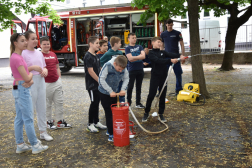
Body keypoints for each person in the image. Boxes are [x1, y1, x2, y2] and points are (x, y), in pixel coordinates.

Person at [10, 33, 48, 154]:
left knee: (20, 118)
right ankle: (35, 144)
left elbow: (21, 75)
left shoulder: (16, 56)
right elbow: (26, 77)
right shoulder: (18, 57)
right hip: (22, 87)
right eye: (22, 41)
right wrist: (31, 76)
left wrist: (28, 77)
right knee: (28, 118)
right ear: (15, 43)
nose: (25, 43)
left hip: (18, 86)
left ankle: (20, 144)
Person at [142, 37, 186, 123]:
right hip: (155, 77)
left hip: (163, 77)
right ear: (153, 43)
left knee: (162, 95)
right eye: (158, 42)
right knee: (151, 95)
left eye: (161, 42)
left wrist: (180, 56)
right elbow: (158, 61)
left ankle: (161, 114)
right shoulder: (151, 53)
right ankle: (146, 112)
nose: (160, 43)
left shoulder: (163, 52)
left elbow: (172, 54)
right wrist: (170, 61)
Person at [22, 30, 53, 141]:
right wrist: (33, 68)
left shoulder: (39, 53)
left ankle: (43, 132)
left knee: (42, 107)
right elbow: (19, 70)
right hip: (30, 82)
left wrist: (45, 70)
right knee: (30, 109)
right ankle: (31, 135)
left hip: (40, 81)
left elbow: (44, 66)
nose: (35, 41)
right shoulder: (23, 53)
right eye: (32, 39)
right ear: (26, 40)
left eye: (36, 38)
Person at [40, 37, 71, 129]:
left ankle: (60, 121)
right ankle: (48, 122)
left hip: (56, 82)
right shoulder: (39, 55)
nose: (46, 46)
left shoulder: (53, 54)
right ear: (40, 45)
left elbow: (57, 67)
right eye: (44, 44)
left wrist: (59, 79)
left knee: (59, 102)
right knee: (47, 103)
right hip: (46, 83)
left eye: (48, 44)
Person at [98, 55, 129, 142]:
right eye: (119, 69)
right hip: (104, 92)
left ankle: (111, 129)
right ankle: (111, 134)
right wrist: (110, 91)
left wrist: (123, 89)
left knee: (115, 113)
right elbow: (101, 80)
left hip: (115, 93)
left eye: (122, 69)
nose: (120, 71)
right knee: (109, 113)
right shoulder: (107, 66)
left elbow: (126, 78)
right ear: (115, 64)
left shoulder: (123, 67)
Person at [84, 36, 107, 133]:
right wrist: (99, 81)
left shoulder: (96, 55)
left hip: (98, 84)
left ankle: (96, 122)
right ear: (91, 44)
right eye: (97, 43)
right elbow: (91, 71)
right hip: (92, 85)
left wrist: (104, 77)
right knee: (93, 103)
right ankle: (90, 124)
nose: (98, 45)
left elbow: (99, 68)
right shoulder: (87, 56)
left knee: (97, 103)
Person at [161, 19, 185, 95]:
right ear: (166, 25)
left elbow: (182, 44)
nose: (170, 26)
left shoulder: (177, 33)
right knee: (163, 74)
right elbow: (161, 45)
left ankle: (178, 89)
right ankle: (162, 90)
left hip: (176, 56)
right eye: (168, 25)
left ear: (173, 25)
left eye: (171, 25)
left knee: (178, 74)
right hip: (167, 57)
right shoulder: (163, 34)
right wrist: (161, 55)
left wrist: (183, 55)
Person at [100, 36, 125, 102]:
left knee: (121, 92)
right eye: (120, 43)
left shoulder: (120, 53)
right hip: (112, 78)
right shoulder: (107, 54)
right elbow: (100, 62)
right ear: (115, 44)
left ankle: (122, 104)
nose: (121, 44)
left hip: (120, 77)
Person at [125, 33, 145, 108]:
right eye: (133, 38)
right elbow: (130, 59)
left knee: (138, 87)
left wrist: (134, 57)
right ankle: (129, 103)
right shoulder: (127, 48)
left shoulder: (139, 46)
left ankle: (138, 103)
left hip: (140, 69)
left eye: (135, 37)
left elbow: (143, 56)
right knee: (130, 87)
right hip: (132, 70)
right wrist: (139, 57)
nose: (134, 39)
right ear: (129, 39)